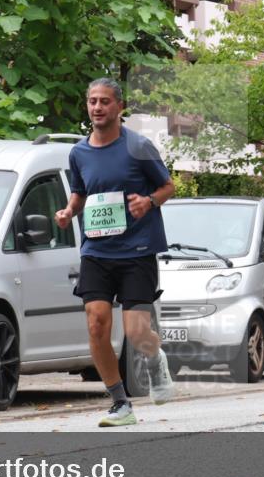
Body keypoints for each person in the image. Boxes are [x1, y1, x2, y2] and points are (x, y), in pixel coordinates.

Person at [55, 77, 176, 426]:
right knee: (96, 324)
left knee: (137, 331)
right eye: (92, 101)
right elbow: (80, 194)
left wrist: (149, 201)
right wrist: (67, 212)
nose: (97, 107)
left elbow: (168, 186)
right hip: (97, 249)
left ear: (119, 106)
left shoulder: (138, 147)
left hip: (137, 250)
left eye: (104, 101)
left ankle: (155, 362)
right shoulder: (78, 152)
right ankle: (120, 402)